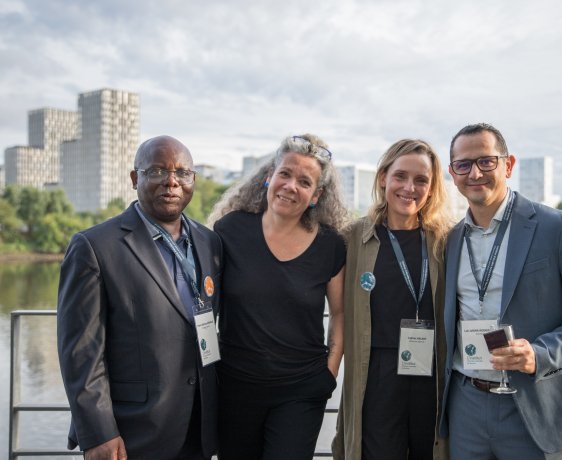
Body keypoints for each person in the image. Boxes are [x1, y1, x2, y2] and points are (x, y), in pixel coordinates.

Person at [439, 123, 562, 459]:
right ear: (452, 173)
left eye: (486, 161)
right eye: (463, 164)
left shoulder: (557, 227)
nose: (475, 173)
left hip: (533, 405)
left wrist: (540, 354)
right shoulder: (451, 239)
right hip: (466, 405)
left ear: (508, 165)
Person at [57, 135, 222, 459]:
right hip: (132, 433)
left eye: (182, 173)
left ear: (193, 181)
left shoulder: (209, 242)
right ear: (136, 178)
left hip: (199, 427)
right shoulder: (95, 247)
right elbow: (81, 352)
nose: (171, 182)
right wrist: (98, 432)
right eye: (158, 171)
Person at [209, 133, 348, 460]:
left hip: (301, 391)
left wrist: (331, 370)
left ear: (316, 195)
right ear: (269, 176)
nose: (290, 186)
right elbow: (205, 300)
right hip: (234, 387)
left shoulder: (331, 245)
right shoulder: (230, 230)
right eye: (285, 174)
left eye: (304, 181)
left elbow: (340, 314)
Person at [332, 139, 452, 460]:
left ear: (432, 186)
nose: (409, 187)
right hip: (377, 375)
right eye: (400, 176)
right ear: (384, 177)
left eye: (421, 180)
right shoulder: (353, 238)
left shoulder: (446, 241)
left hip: (431, 375)